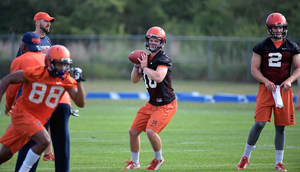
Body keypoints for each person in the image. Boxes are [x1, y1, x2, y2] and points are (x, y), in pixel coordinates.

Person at [0, 45, 86, 172]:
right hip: (23, 114)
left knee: (5, 154)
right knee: (44, 140)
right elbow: (7, 79)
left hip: (36, 119)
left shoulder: (65, 79)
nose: (62, 68)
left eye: (64, 64)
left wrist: (79, 81)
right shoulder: (36, 72)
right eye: (58, 64)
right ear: (49, 62)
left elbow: (81, 103)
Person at [12, 12, 77, 172]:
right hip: (32, 91)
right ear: (37, 21)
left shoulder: (48, 41)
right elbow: (20, 68)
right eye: (46, 21)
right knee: (32, 136)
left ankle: (46, 155)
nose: (48, 24)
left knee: (52, 134)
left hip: (50, 92)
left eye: (50, 22)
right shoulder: (29, 39)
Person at [237, 12, 300, 171]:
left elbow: (298, 68)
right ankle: (246, 156)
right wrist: (266, 81)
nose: (278, 31)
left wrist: (289, 81)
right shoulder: (261, 47)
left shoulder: (292, 47)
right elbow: (254, 70)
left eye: (281, 27)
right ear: (269, 28)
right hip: (266, 89)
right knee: (259, 123)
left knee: (281, 127)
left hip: (284, 90)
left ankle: (279, 162)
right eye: (275, 27)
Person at [123, 26, 177, 170]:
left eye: (156, 40)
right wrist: (136, 66)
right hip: (152, 103)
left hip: (166, 104)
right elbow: (134, 80)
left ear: (162, 43)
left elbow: (159, 77)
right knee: (133, 131)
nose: (153, 43)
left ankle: (158, 159)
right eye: (151, 40)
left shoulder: (163, 58)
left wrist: (145, 67)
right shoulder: (145, 58)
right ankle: (135, 163)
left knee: (150, 131)